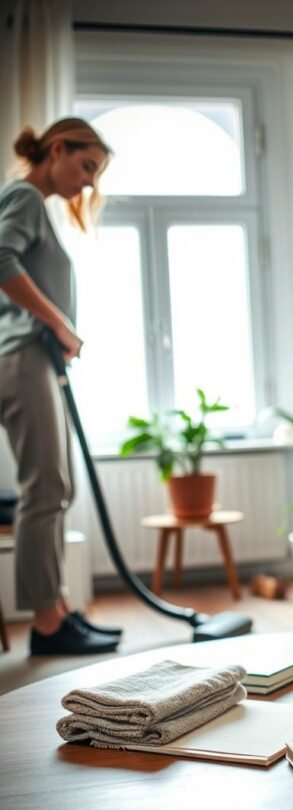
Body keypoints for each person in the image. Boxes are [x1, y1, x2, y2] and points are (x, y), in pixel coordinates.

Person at [0, 117, 122, 655]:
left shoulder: (32, 203)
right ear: (58, 149)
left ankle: (59, 609)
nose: (89, 182)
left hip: (36, 357)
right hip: (21, 355)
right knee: (45, 488)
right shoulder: (25, 196)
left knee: (58, 486)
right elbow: (0, 259)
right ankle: (47, 625)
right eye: (87, 166)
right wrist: (58, 323)